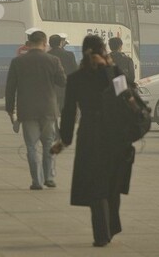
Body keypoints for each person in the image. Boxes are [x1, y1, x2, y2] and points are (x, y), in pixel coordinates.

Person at [51, 34, 136, 248]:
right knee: (111, 183)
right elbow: (126, 97)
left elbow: (69, 112)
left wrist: (65, 140)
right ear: (103, 50)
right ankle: (110, 227)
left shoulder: (76, 78)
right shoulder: (114, 73)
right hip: (115, 135)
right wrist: (109, 68)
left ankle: (101, 233)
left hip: (90, 134)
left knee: (96, 184)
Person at [5, 30, 66, 190]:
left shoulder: (18, 62)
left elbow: (10, 88)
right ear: (44, 44)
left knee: (31, 146)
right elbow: (62, 82)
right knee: (48, 144)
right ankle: (49, 177)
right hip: (48, 109)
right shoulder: (53, 60)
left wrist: (10, 109)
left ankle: (37, 181)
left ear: (29, 43)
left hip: (27, 110)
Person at [48, 33, 77, 113]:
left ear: (49, 43)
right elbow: (75, 71)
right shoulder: (69, 54)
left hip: (51, 88)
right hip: (65, 87)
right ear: (60, 43)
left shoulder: (46, 56)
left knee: (52, 111)